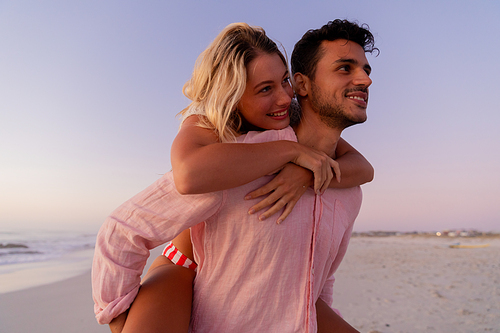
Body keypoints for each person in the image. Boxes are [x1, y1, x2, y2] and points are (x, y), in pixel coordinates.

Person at [93, 20, 376, 332]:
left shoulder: (348, 188)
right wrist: (117, 316)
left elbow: (321, 276)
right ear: (304, 83)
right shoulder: (233, 156)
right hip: (181, 269)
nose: (365, 79)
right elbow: (125, 227)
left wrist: (307, 172)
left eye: (366, 69)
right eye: (345, 68)